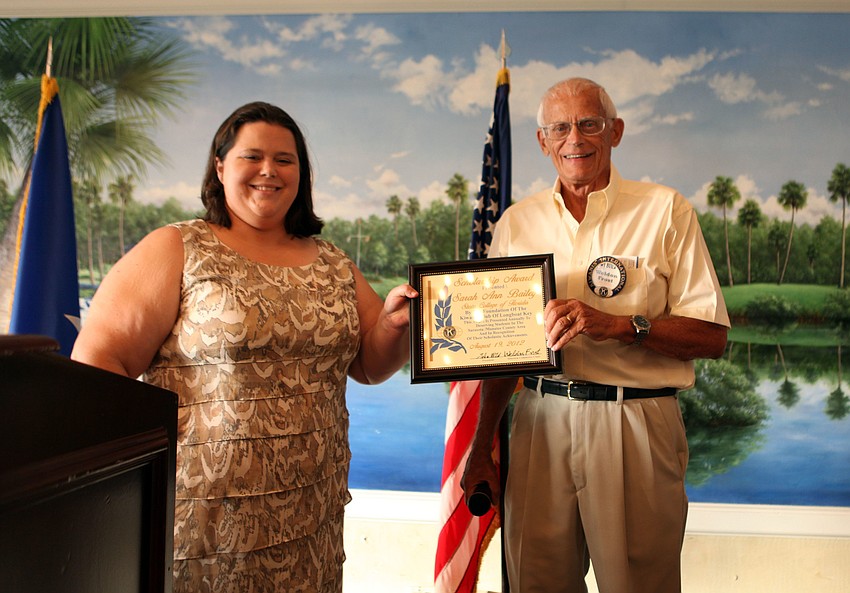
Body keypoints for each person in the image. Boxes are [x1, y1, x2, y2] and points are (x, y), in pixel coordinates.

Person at [71, 101, 417, 593]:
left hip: (310, 515)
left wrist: (395, 322)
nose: (269, 171)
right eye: (252, 156)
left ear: (302, 173)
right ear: (219, 166)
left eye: (285, 159)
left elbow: (370, 365)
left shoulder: (333, 263)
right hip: (202, 519)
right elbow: (99, 363)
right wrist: (126, 486)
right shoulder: (176, 248)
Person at [461, 78, 730, 593]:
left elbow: (712, 336)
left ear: (615, 132)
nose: (574, 139)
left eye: (589, 124)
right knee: (535, 581)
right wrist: (481, 448)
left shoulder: (665, 210)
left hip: (635, 420)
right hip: (539, 421)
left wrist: (622, 325)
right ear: (542, 141)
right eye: (559, 127)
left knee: (639, 584)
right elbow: (501, 353)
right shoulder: (516, 224)